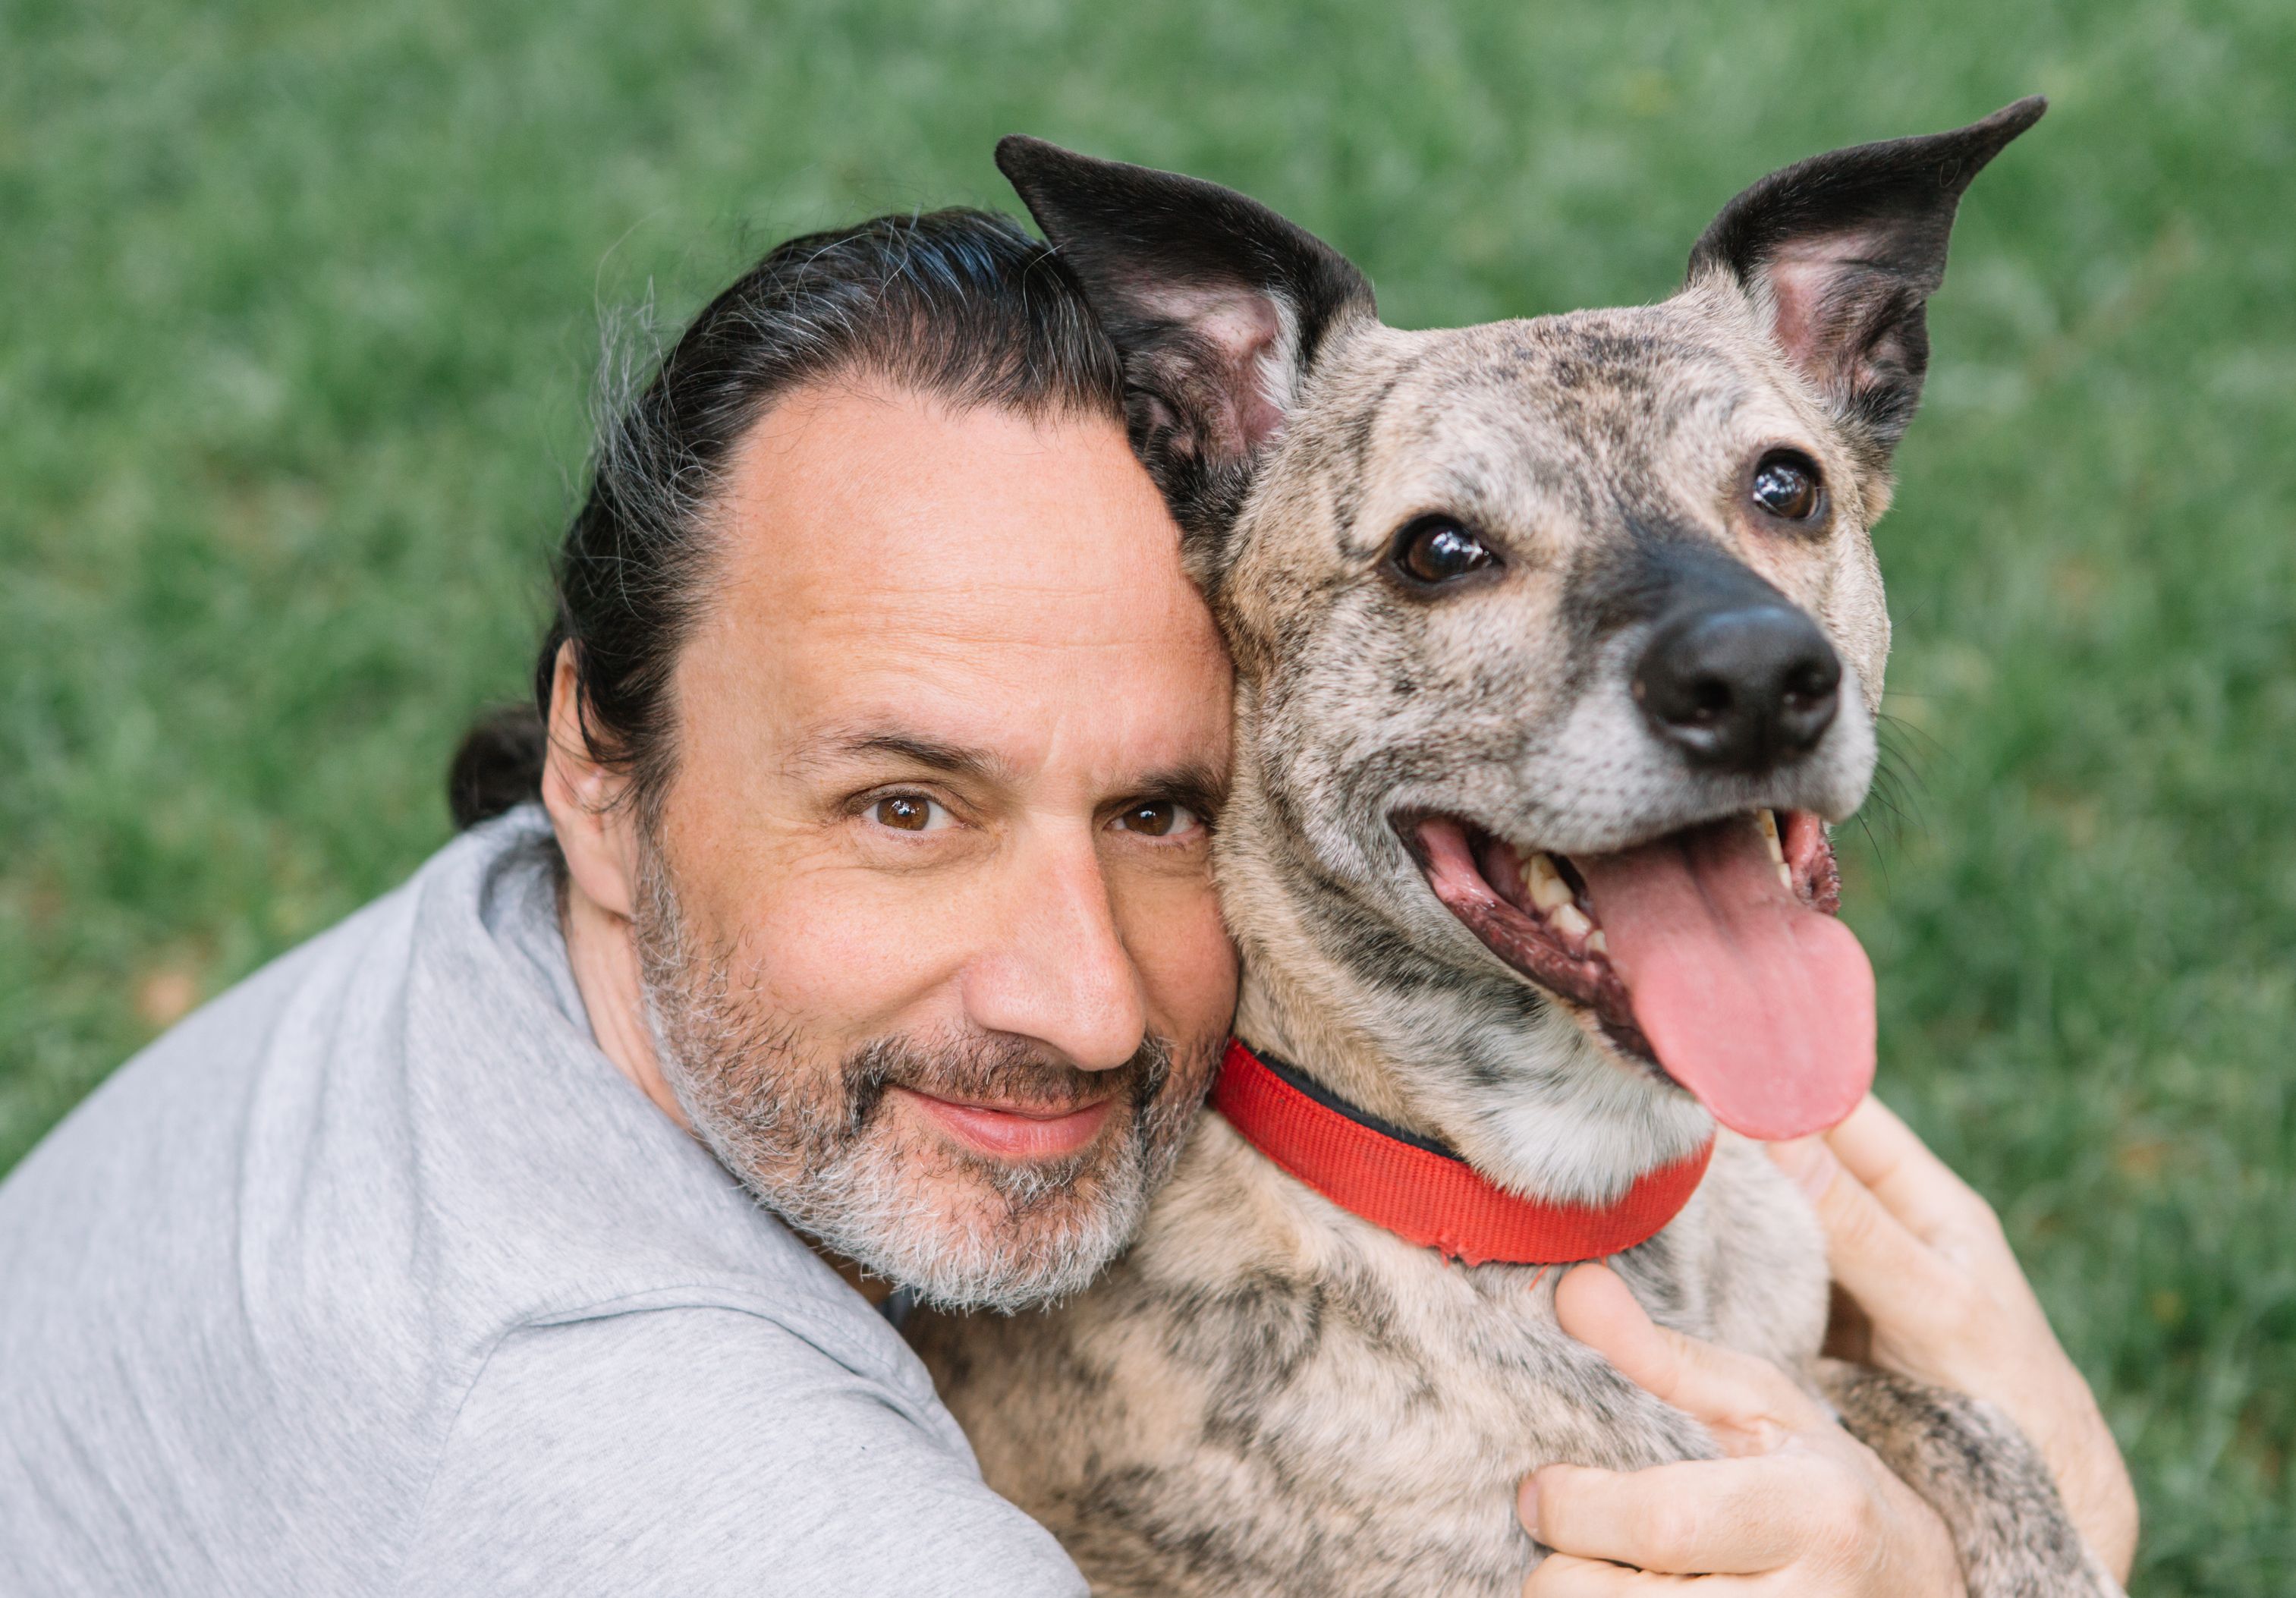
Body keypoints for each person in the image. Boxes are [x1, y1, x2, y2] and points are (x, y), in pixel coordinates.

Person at [0, 207, 2134, 1596]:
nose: (1087, 1007)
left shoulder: (520, 966)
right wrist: (2055, 1502)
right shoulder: (654, 1476)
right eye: (905, 804)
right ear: (599, 757)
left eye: (1155, 807)